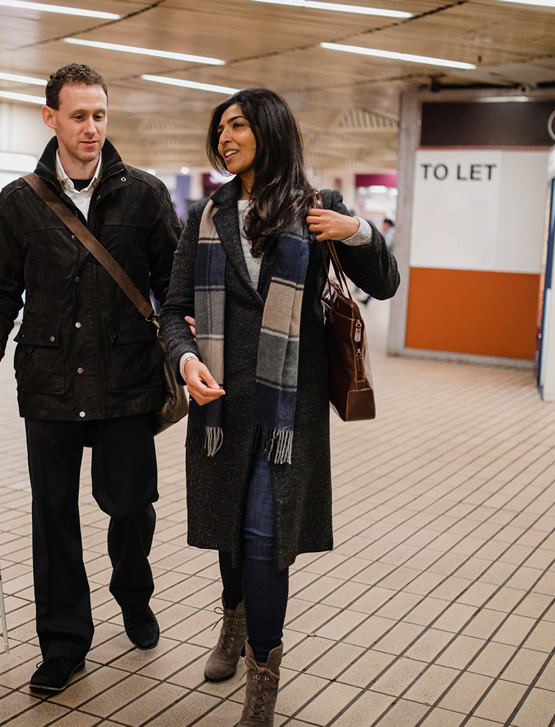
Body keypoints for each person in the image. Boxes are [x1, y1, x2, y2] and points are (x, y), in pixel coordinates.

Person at [159, 88, 398, 726]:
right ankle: (233, 619)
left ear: (269, 131)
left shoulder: (320, 210)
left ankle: (262, 678)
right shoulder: (204, 216)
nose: (225, 139)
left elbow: (386, 280)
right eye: (220, 130)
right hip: (219, 406)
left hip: (286, 410)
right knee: (231, 538)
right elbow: (173, 307)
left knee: (264, 536)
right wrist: (185, 360)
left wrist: (358, 232)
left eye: (237, 126)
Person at [0, 63, 180, 693]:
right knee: (54, 518)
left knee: (131, 506)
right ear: (50, 117)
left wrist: (183, 340)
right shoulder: (19, 201)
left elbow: (173, 284)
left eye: (100, 115)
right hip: (50, 386)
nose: (91, 127)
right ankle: (63, 643)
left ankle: (133, 592)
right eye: (79, 115)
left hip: (128, 386)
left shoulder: (145, 195)